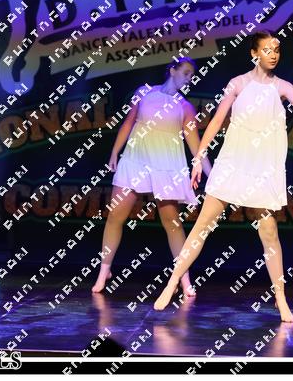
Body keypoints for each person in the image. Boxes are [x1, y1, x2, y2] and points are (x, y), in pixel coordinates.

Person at [153, 31, 293, 322]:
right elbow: (217, 120)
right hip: (233, 161)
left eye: (276, 50)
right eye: (267, 49)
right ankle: (172, 283)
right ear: (254, 54)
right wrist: (198, 157)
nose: (273, 54)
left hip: (263, 166)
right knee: (201, 228)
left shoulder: (283, 87)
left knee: (269, 234)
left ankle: (281, 299)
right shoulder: (237, 83)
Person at [91, 57, 212, 297]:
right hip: (135, 160)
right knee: (115, 216)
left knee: (172, 223)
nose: (189, 78)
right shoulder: (144, 92)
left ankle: (184, 278)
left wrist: (213, 176)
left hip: (166, 167)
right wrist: (115, 152)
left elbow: (197, 148)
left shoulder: (185, 107)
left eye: (192, 75)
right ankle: (104, 271)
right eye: (186, 72)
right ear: (172, 70)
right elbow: (128, 123)